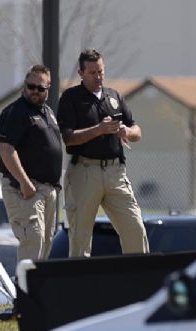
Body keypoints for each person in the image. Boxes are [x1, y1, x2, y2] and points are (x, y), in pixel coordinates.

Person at [57, 48, 147, 257]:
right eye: (92, 72)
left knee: (135, 228)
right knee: (80, 238)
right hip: (85, 171)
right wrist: (99, 129)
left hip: (115, 172)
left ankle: (139, 282)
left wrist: (126, 131)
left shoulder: (113, 96)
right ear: (81, 73)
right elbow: (68, 137)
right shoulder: (71, 98)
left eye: (101, 71)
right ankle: (80, 286)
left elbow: (137, 131)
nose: (98, 77)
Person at [0, 64, 64, 263]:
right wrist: (25, 183)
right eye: (30, 86)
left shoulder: (48, 112)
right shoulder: (16, 111)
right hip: (26, 189)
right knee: (32, 242)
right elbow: (6, 149)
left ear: (48, 88)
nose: (34, 91)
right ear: (24, 86)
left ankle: (36, 292)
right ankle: (24, 292)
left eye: (40, 88)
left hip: (49, 190)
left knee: (45, 245)